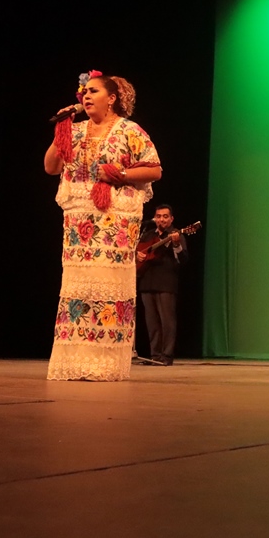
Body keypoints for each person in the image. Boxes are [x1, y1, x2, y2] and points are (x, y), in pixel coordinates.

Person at [44, 70, 162, 381]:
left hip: (115, 223)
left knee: (107, 290)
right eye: (83, 91)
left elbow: (154, 169)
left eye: (93, 91)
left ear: (111, 98)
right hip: (79, 223)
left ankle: (104, 365)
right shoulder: (76, 130)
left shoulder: (129, 130)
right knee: (79, 292)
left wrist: (121, 175)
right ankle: (76, 362)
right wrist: (62, 128)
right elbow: (51, 166)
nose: (86, 95)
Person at [136, 204, 188, 366]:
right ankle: (155, 355)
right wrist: (136, 255)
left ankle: (167, 355)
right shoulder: (148, 234)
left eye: (165, 216)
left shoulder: (176, 234)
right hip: (146, 282)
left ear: (171, 219)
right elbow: (138, 251)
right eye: (158, 216)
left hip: (166, 283)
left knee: (167, 322)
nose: (161, 219)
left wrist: (176, 244)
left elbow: (183, 259)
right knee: (152, 323)